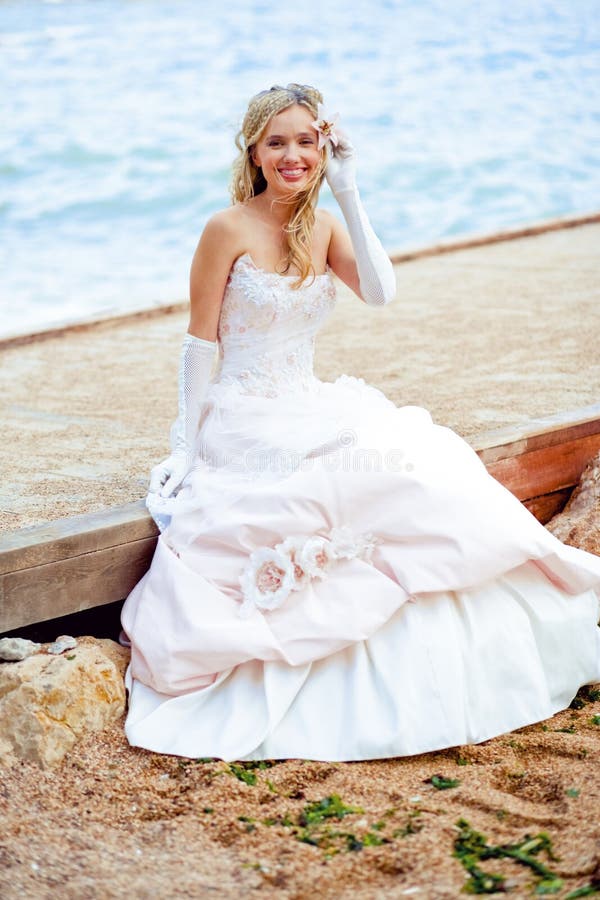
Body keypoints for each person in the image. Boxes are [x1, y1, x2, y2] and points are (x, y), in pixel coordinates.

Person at [121, 83, 600, 761]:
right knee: (335, 488)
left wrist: (347, 188)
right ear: (254, 151)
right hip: (246, 413)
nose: (293, 155)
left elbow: (381, 292)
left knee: (420, 463)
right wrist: (186, 447)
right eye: (277, 142)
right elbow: (201, 345)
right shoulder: (224, 228)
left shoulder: (325, 224)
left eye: (306, 141)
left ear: (323, 147)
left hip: (310, 397)